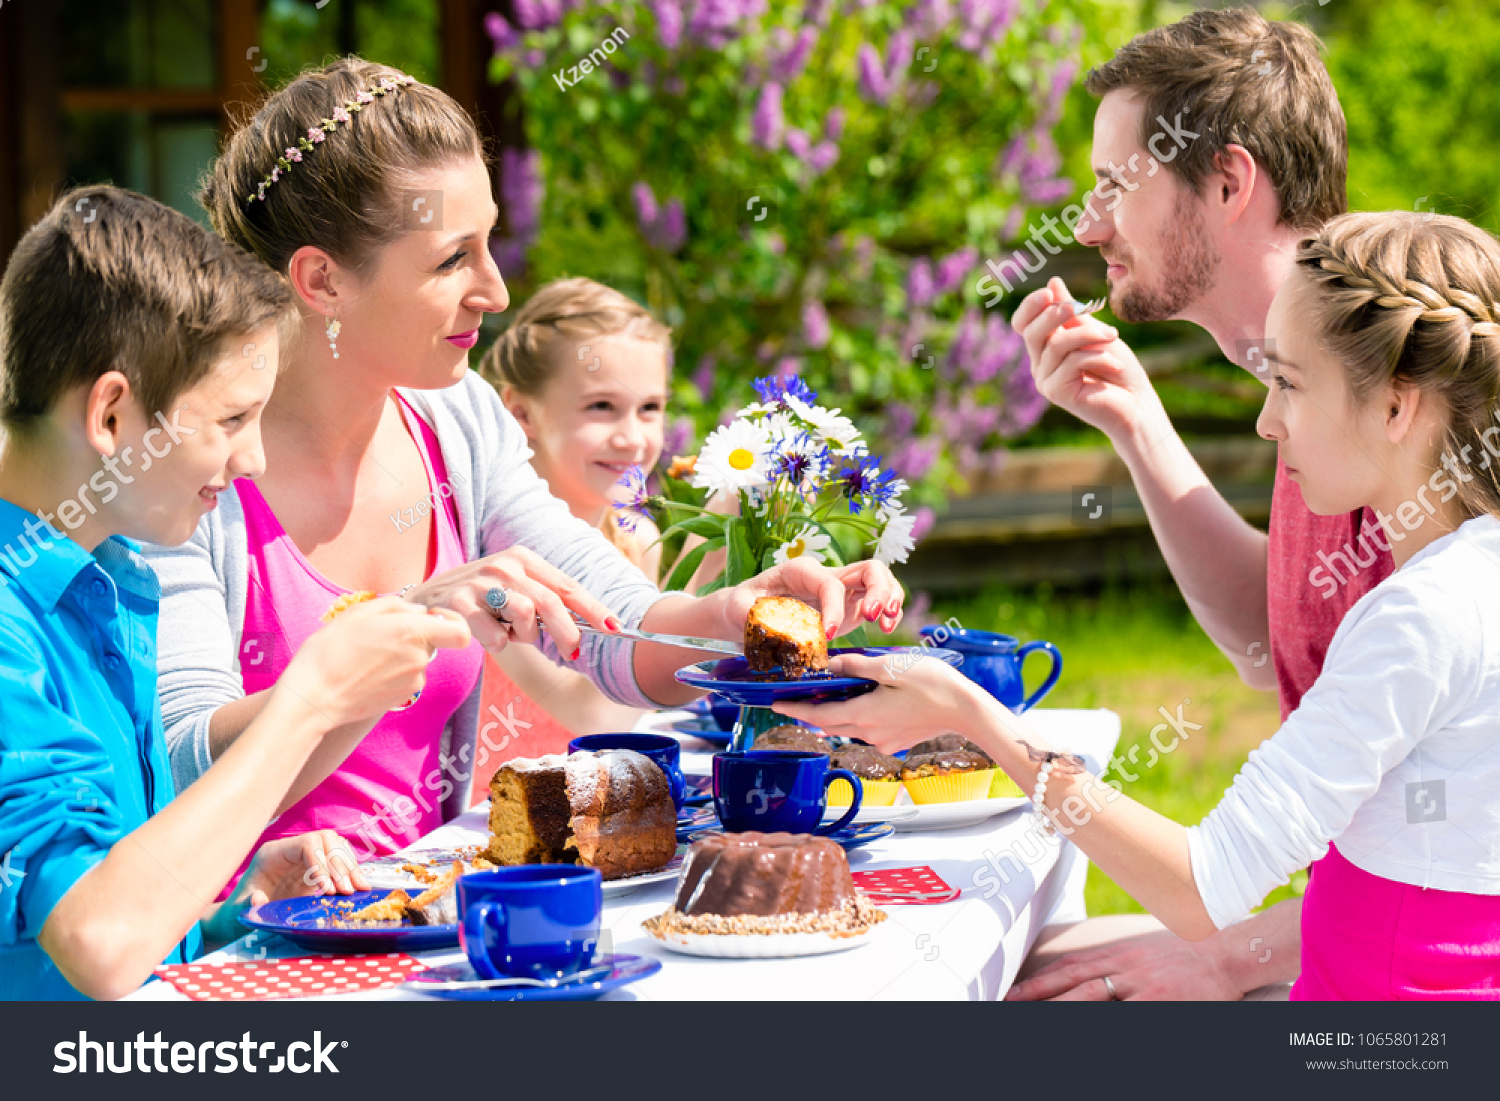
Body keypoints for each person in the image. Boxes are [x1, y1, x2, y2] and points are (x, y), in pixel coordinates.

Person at [144, 59, 903, 888]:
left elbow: (614, 632)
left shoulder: (456, 418)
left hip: (429, 918)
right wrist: (405, 623)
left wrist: (733, 611)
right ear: (323, 280)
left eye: (490, 244)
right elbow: (180, 769)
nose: (497, 291)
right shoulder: (193, 460)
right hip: (243, 952)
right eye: (450, 261)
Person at [782, 210, 1500, 1000]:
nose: (1266, 422)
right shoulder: (1467, 581)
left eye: (1289, 384)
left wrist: (976, 719)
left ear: (1397, 407)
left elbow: (1203, 885)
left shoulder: (1419, 620)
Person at [0, 186, 471, 1000]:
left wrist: (222, 908)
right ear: (112, 414)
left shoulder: (112, 578)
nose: (252, 460)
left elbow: (118, 900)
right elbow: (96, 944)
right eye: (229, 419)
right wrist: (311, 698)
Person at [1004, 8, 1389, 1000]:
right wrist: (1135, 422)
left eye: (1112, 189)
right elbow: (1281, 644)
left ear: (1226, 181)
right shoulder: (1311, 376)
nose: (1088, 228)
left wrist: (1228, 956)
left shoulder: (1397, 397)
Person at [470, 276, 672, 787]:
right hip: (489, 827)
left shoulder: (635, 537)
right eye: (601, 407)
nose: (632, 438)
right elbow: (597, 716)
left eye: (650, 408)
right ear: (520, 413)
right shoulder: (493, 558)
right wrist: (708, 560)